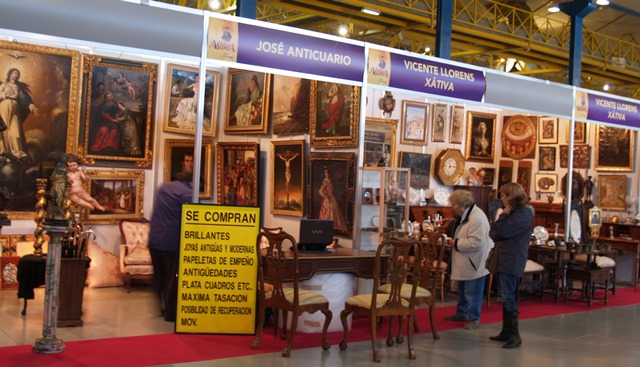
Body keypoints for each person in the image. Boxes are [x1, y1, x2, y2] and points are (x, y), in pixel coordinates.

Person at [488, 182, 534, 349]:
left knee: (509, 297)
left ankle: (514, 334)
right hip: (504, 258)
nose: (502, 199)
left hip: (512, 259)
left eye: (504, 195)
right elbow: (493, 233)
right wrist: (504, 217)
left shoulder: (523, 214)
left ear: (511, 197)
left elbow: (503, 232)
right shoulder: (513, 213)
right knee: (506, 296)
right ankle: (506, 331)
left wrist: (504, 216)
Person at [444, 189, 493, 330]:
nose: (452, 209)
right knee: (462, 290)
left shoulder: (476, 218)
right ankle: (461, 313)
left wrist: (456, 243)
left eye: (453, 206)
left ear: (460, 205)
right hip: (466, 259)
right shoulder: (468, 215)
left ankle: (474, 319)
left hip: (474, 261)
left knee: (472, 292)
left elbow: (476, 242)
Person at [149, 170, 193, 322]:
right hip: (171, 241)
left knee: (159, 276)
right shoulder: (188, 193)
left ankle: (159, 305)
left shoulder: (163, 188)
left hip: (154, 238)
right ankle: (170, 313)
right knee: (171, 278)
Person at [0, 68, 38, 164]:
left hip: (15, 108)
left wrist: (31, 105)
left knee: (15, 131)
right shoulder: (3, 85)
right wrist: (4, 94)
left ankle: (17, 153)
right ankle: (3, 152)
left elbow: (24, 99)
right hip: (4, 105)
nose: (16, 75)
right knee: (4, 130)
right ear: (10, 74)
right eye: (14, 73)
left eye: (18, 74)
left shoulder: (18, 88)